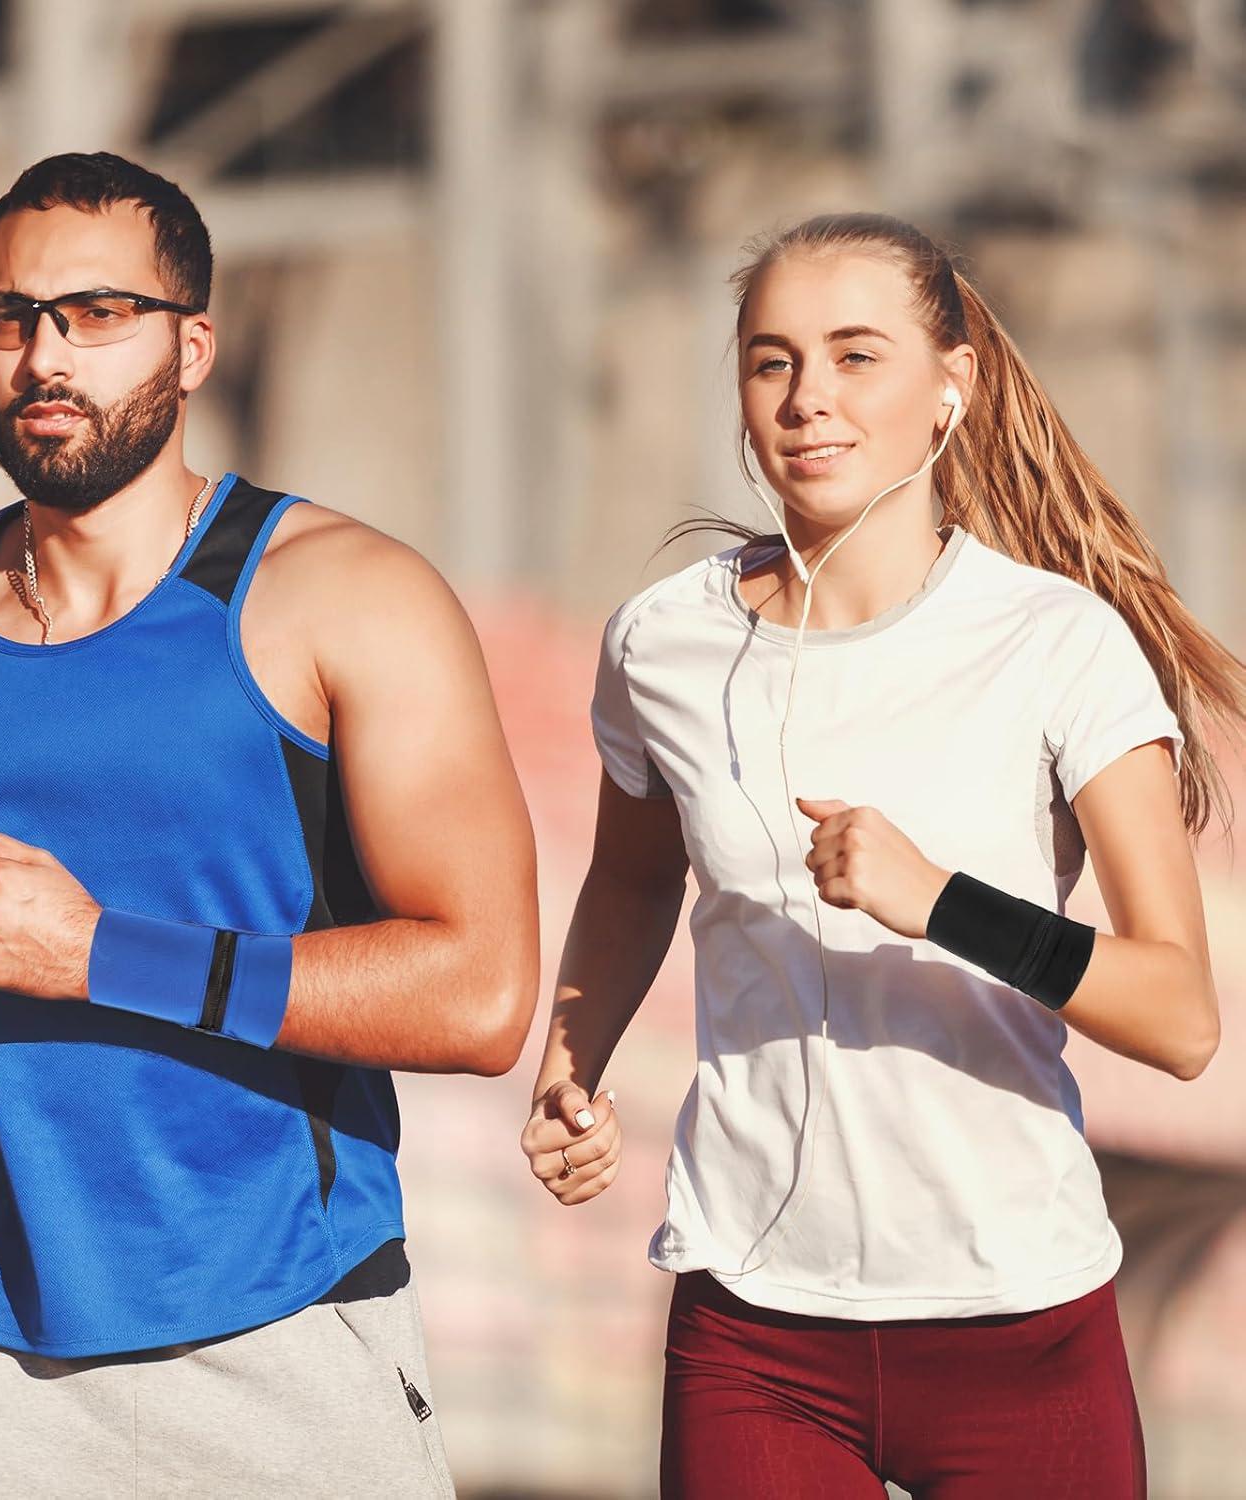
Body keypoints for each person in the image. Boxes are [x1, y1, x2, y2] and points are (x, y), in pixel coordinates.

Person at [0, 151, 538, 1499]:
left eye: (99, 314)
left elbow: (482, 995)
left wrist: (101, 955)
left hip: (293, 1334)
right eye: (10, 316)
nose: (46, 355)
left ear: (192, 347)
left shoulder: (347, 598)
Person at [520, 213, 1240, 1497]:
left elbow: (1181, 1018)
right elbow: (630, 879)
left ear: (950, 386)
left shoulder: (1058, 644)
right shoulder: (661, 643)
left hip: (1019, 1324)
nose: (810, 398)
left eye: (857, 356)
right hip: (754, 1329)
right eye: (773, 361)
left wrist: (941, 902)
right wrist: (569, 1071)